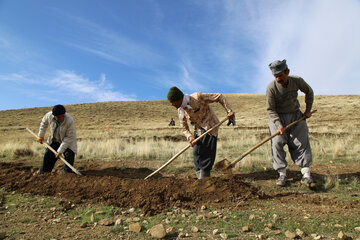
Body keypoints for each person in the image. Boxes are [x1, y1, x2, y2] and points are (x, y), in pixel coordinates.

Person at [266, 59, 315, 188]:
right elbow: (270, 109)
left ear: (287, 72)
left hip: (295, 115)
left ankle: (306, 175)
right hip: (278, 118)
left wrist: (308, 109)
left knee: (302, 142)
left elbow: (309, 92)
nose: (277, 79)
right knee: (277, 143)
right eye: (275, 76)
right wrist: (278, 124)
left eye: (280, 75)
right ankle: (282, 174)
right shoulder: (271, 88)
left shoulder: (297, 81)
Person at [167, 86, 235, 179]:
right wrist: (190, 137)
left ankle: (204, 178)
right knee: (196, 154)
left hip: (210, 125)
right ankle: (200, 179)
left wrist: (229, 110)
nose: (171, 104)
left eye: (172, 101)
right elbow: (184, 127)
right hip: (198, 129)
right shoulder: (180, 110)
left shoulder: (198, 97)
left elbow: (219, 96)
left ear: (179, 99)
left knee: (206, 153)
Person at [37, 104, 77, 174]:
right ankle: (44, 173)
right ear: (54, 116)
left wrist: (60, 151)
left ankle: (67, 173)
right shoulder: (49, 116)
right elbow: (43, 124)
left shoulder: (69, 120)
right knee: (49, 153)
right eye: (59, 117)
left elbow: (68, 137)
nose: (61, 118)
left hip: (67, 141)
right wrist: (40, 136)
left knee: (69, 154)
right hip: (55, 139)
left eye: (63, 116)